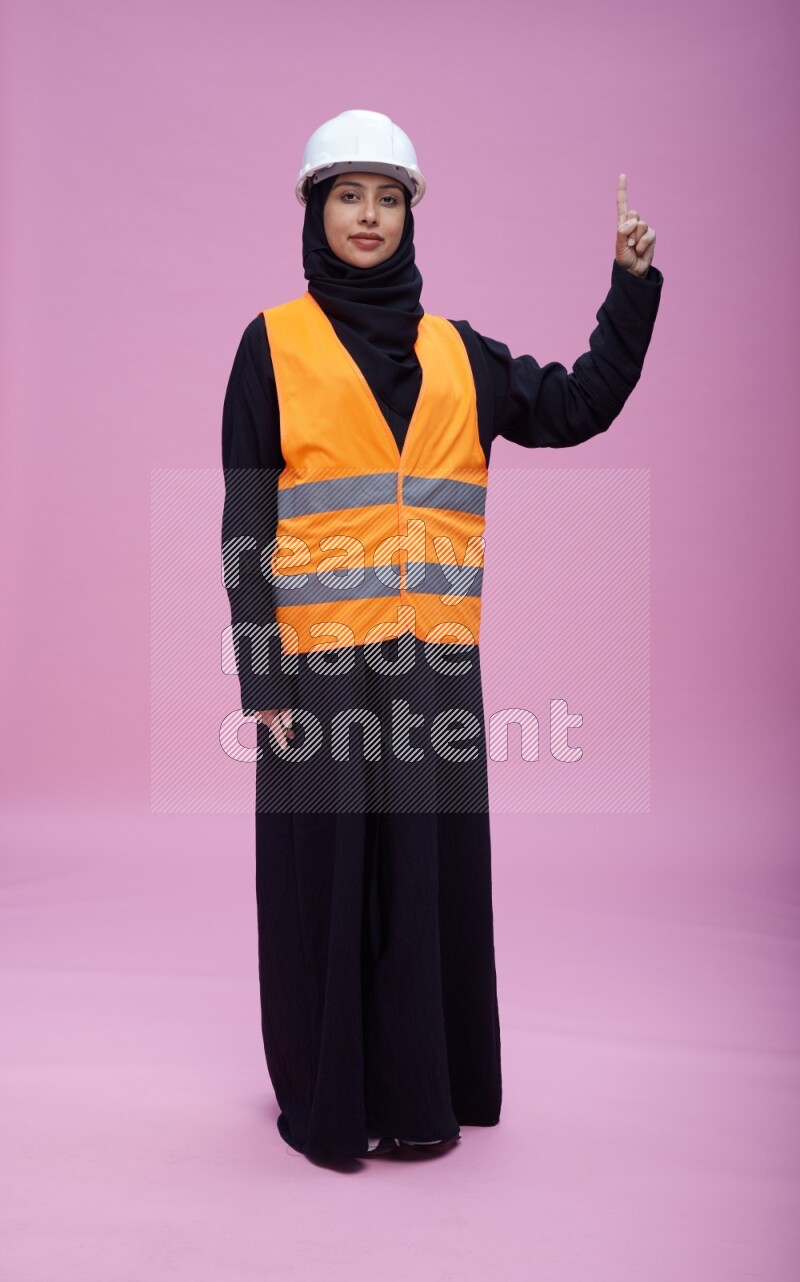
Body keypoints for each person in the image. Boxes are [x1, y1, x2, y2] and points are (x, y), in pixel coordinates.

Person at [221, 108, 663, 1163]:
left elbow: (574, 405)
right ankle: (331, 1102)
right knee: (325, 881)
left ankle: (420, 1099)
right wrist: (260, 681)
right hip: (318, 677)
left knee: (420, 882)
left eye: (386, 197)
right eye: (346, 195)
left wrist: (629, 288)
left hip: (430, 674)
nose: (366, 216)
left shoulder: (461, 354)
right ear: (314, 210)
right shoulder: (269, 345)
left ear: (410, 214)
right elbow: (247, 524)